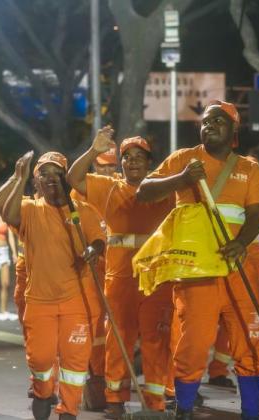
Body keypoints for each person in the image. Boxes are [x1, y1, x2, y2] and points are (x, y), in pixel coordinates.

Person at [137, 100, 259, 420]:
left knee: (249, 345)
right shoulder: (184, 159)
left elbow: (256, 215)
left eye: (219, 121)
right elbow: (144, 190)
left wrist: (240, 242)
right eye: (206, 121)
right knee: (192, 346)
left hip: (238, 268)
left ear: (234, 129)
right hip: (196, 271)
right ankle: (183, 409)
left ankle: (251, 413)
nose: (210, 126)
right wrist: (181, 178)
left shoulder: (249, 168)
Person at [67, 134, 175, 417]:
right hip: (120, 278)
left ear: (150, 163)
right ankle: (114, 399)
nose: (133, 161)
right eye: (127, 157)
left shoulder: (166, 190)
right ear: (121, 163)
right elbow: (74, 177)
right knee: (118, 338)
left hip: (156, 278)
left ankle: (155, 402)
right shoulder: (109, 188)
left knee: (156, 340)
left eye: (140, 157)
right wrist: (94, 150)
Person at [2, 151, 105, 420]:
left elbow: (99, 238)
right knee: (40, 360)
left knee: (75, 362)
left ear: (66, 179)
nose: (51, 179)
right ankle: (42, 390)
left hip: (77, 301)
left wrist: (95, 249)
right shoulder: (29, 209)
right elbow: (8, 215)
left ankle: (68, 409)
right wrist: (18, 179)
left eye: (57, 173)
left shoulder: (82, 211)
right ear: (35, 183)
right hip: (40, 301)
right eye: (43, 174)